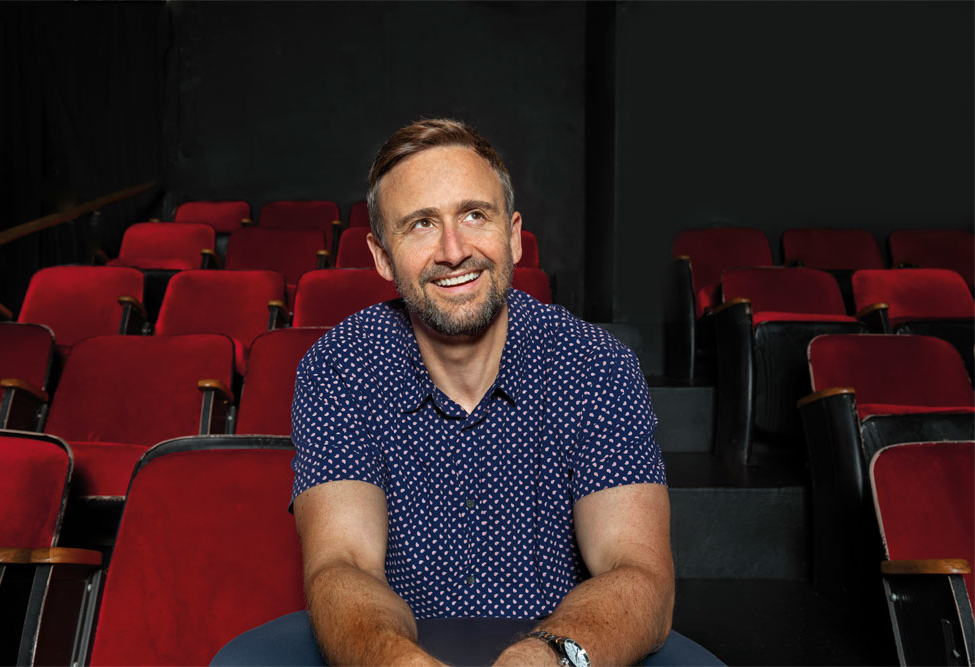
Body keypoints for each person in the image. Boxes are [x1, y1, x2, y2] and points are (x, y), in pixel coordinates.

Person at [212, 119, 722, 666]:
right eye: (421, 225)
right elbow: (344, 564)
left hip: (560, 645)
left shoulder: (595, 365)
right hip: (392, 644)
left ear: (513, 234)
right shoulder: (342, 367)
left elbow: (637, 570)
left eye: (474, 215)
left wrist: (546, 659)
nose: (454, 251)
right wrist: (398, 663)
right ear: (382, 256)